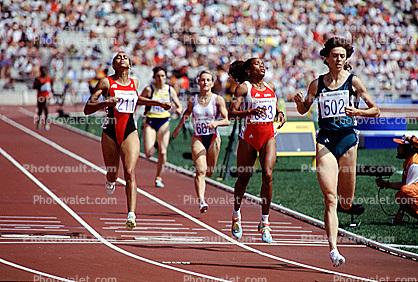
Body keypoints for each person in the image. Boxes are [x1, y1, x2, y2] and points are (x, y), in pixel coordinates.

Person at [294, 37, 380, 266]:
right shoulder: (317, 84)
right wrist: (298, 103)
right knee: (330, 198)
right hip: (325, 140)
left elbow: (375, 109)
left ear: (346, 58)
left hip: (348, 141)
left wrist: (358, 112)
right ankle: (333, 249)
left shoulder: (354, 82)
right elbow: (304, 109)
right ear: (327, 58)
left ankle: (346, 210)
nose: (339, 59)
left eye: (342, 55)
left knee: (345, 201)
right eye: (335, 55)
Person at [83, 52, 170, 229]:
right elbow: (87, 108)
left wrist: (158, 104)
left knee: (130, 172)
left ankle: (131, 214)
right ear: (114, 65)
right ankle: (110, 180)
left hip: (130, 130)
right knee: (113, 173)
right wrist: (105, 103)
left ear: (130, 64)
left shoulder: (134, 82)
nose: (122, 58)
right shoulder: (107, 82)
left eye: (124, 57)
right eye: (118, 57)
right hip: (110, 131)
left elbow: (136, 99)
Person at [228, 58, 285, 243]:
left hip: (268, 135)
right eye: (257, 64)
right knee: (244, 177)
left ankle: (265, 223)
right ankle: (236, 215)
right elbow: (231, 113)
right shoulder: (244, 88)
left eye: (263, 64)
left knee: (268, 175)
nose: (262, 66)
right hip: (249, 137)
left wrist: (280, 114)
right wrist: (249, 113)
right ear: (248, 70)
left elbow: (276, 108)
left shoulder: (269, 87)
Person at [172, 70, 229, 213]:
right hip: (198, 137)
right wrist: (178, 128)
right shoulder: (193, 100)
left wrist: (216, 124)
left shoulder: (218, 100)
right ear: (198, 82)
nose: (205, 82)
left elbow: (227, 120)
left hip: (213, 138)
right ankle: (202, 201)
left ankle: (205, 187)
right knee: (200, 171)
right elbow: (187, 113)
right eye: (202, 80)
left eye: (208, 80)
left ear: (212, 83)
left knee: (209, 171)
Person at [141, 67, 182, 188]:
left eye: (163, 76)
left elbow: (178, 105)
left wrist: (178, 110)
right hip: (150, 121)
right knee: (148, 153)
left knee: (163, 152)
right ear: (154, 77)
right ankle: (156, 145)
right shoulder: (149, 89)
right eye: (158, 76)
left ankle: (158, 178)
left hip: (164, 121)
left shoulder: (169, 90)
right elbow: (138, 100)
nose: (161, 78)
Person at [376, 135, 418, 224]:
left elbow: (406, 190)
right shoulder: (410, 160)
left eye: (401, 146)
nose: (398, 148)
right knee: (402, 193)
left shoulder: (414, 164)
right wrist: (386, 184)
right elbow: (405, 184)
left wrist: (398, 217)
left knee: (404, 192)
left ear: (408, 149)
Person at [33, 66, 54, 130]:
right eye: (42, 70)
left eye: (45, 70)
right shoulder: (38, 79)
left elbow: (51, 87)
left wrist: (51, 93)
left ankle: (46, 123)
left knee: (46, 108)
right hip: (40, 96)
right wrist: (40, 86)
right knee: (40, 110)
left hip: (47, 96)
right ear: (41, 71)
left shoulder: (49, 78)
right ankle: (39, 122)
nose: (44, 72)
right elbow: (34, 87)